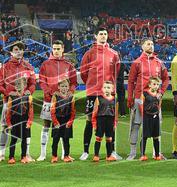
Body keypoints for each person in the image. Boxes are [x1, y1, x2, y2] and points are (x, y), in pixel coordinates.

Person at [79, 29, 121, 160]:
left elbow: (116, 71)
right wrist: (92, 85)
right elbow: (83, 73)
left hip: (109, 94)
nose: (103, 36)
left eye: (105, 34)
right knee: (89, 121)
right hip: (93, 93)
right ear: (96, 36)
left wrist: (110, 88)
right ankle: (86, 151)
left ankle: (112, 151)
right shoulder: (89, 53)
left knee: (111, 121)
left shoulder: (114, 54)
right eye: (101, 34)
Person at [126, 39, 170, 160]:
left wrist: (161, 92)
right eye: (148, 44)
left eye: (152, 44)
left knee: (157, 126)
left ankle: (157, 153)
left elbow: (166, 79)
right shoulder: (137, 62)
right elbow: (130, 81)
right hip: (140, 99)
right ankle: (133, 152)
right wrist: (130, 97)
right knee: (136, 125)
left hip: (155, 101)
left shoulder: (159, 62)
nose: (150, 46)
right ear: (142, 46)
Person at [0, 42, 37, 162]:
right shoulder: (5, 67)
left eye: (20, 49)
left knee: (26, 127)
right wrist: (8, 94)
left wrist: (29, 91)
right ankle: (1, 154)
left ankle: (26, 154)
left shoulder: (28, 66)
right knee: (5, 127)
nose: (18, 51)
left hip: (24, 103)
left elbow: (33, 83)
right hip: (8, 102)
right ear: (11, 51)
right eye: (16, 49)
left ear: (23, 51)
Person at [37, 40, 77, 161]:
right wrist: (49, 92)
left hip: (64, 101)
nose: (56, 51)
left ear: (63, 49)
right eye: (54, 48)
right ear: (52, 49)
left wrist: (70, 92)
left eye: (58, 48)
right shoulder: (46, 64)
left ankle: (64, 154)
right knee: (46, 125)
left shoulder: (68, 65)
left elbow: (74, 82)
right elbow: (42, 81)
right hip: (49, 100)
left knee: (63, 126)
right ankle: (43, 154)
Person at [3, 75, 34, 165]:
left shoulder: (28, 96)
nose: (18, 86)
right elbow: (8, 112)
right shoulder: (11, 97)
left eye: (20, 84)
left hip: (24, 121)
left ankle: (23, 156)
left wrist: (29, 122)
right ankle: (11, 157)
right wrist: (9, 123)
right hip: (14, 121)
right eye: (16, 84)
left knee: (24, 139)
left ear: (24, 85)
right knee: (13, 140)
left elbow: (31, 111)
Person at [49, 79, 77, 164]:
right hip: (57, 120)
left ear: (68, 87)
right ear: (58, 87)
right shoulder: (55, 96)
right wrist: (55, 122)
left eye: (66, 86)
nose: (64, 88)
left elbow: (73, 111)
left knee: (66, 140)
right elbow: (52, 110)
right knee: (55, 140)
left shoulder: (71, 97)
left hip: (67, 120)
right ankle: (54, 156)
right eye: (62, 86)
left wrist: (70, 122)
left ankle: (66, 156)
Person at [91, 80, 119, 162]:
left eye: (108, 88)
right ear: (102, 89)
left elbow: (116, 114)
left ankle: (109, 155)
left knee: (109, 138)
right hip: (101, 120)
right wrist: (94, 125)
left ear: (112, 89)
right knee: (98, 138)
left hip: (110, 121)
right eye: (105, 87)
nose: (106, 89)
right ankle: (96, 155)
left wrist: (115, 123)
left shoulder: (115, 100)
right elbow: (94, 112)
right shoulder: (98, 99)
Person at [139, 76, 165, 161]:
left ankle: (157, 155)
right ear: (149, 85)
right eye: (154, 84)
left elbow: (159, 106)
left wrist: (157, 113)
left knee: (156, 136)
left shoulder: (159, 95)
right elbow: (141, 105)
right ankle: (142, 154)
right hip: (147, 117)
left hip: (155, 117)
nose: (156, 86)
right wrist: (143, 115)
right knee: (145, 136)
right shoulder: (145, 94)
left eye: (158, 84)